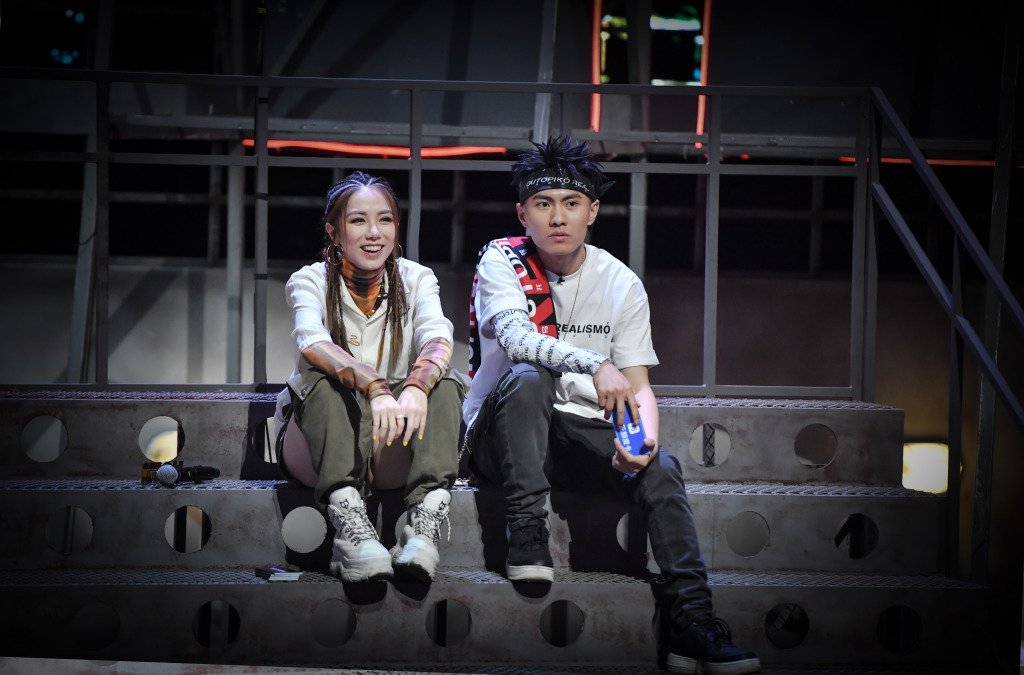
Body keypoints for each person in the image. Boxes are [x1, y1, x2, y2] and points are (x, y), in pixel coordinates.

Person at [461, 137, 761, 674]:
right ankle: (526, 532)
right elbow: (517, 341)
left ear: (593, 211)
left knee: (663, 467)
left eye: (571, 204)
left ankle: (691, 622)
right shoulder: (502, 260)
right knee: (530, 376)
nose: (558, 217)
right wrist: (594, 363)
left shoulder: (621, 283)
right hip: (499, 438)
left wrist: (640, 442)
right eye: (543, 204)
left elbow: (639, 386)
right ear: (523, 214)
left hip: (575, 434)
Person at [279, 171, 462, 583]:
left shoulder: (417, 278)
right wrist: (375, 387)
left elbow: (438, 335)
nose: (374, 232)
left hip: (391, 445)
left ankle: (423, 528)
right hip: (318, 447)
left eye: (385, 219)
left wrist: (416, 386)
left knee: (446, 382)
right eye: (358, 220)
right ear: (333, 231)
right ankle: (351, 533)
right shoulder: (309, 280)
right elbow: (311, 341)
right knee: (322, 382)